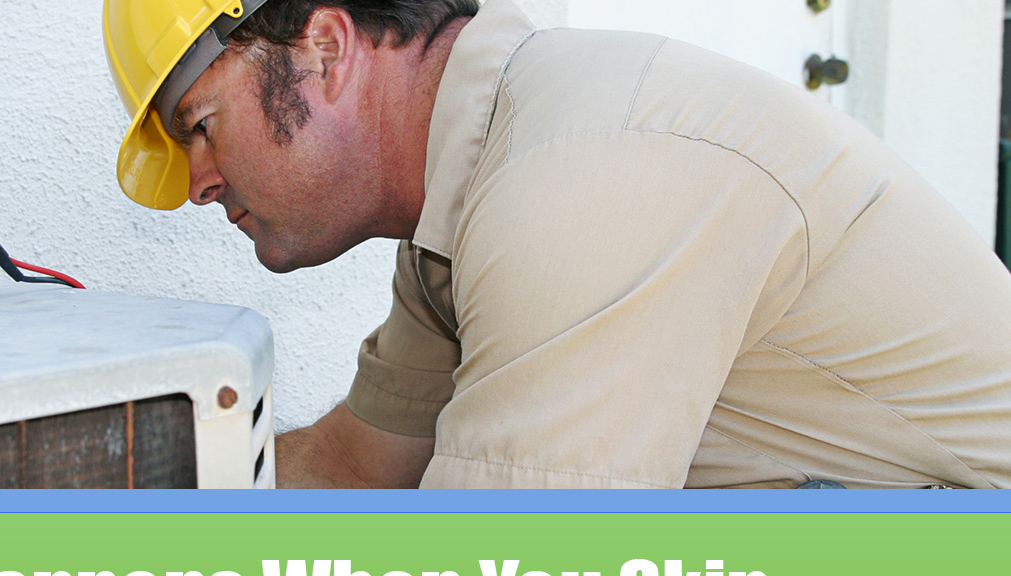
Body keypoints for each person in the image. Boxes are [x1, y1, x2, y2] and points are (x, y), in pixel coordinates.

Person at [103, 0, 1011, 488]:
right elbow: (353, 468)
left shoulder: (576, 172)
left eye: (201, 127)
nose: (196, 184)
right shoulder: (457, 225)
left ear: (324, 49)